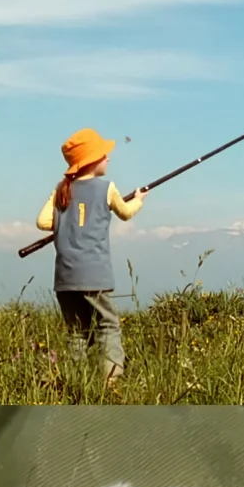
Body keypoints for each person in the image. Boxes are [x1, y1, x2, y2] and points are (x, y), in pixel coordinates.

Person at [35, 129, 148, 389]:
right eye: (104, 154)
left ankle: (76, 380)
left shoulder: (62, 189)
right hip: (95, 273)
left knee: (77, 331)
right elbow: (126, 213)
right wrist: (139, 199)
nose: (108, 158)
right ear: (93, 160)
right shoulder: (107, 188)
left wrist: (68, 222)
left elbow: (42, 222)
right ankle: (111, 382)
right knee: (107, 325)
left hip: (65, 276)